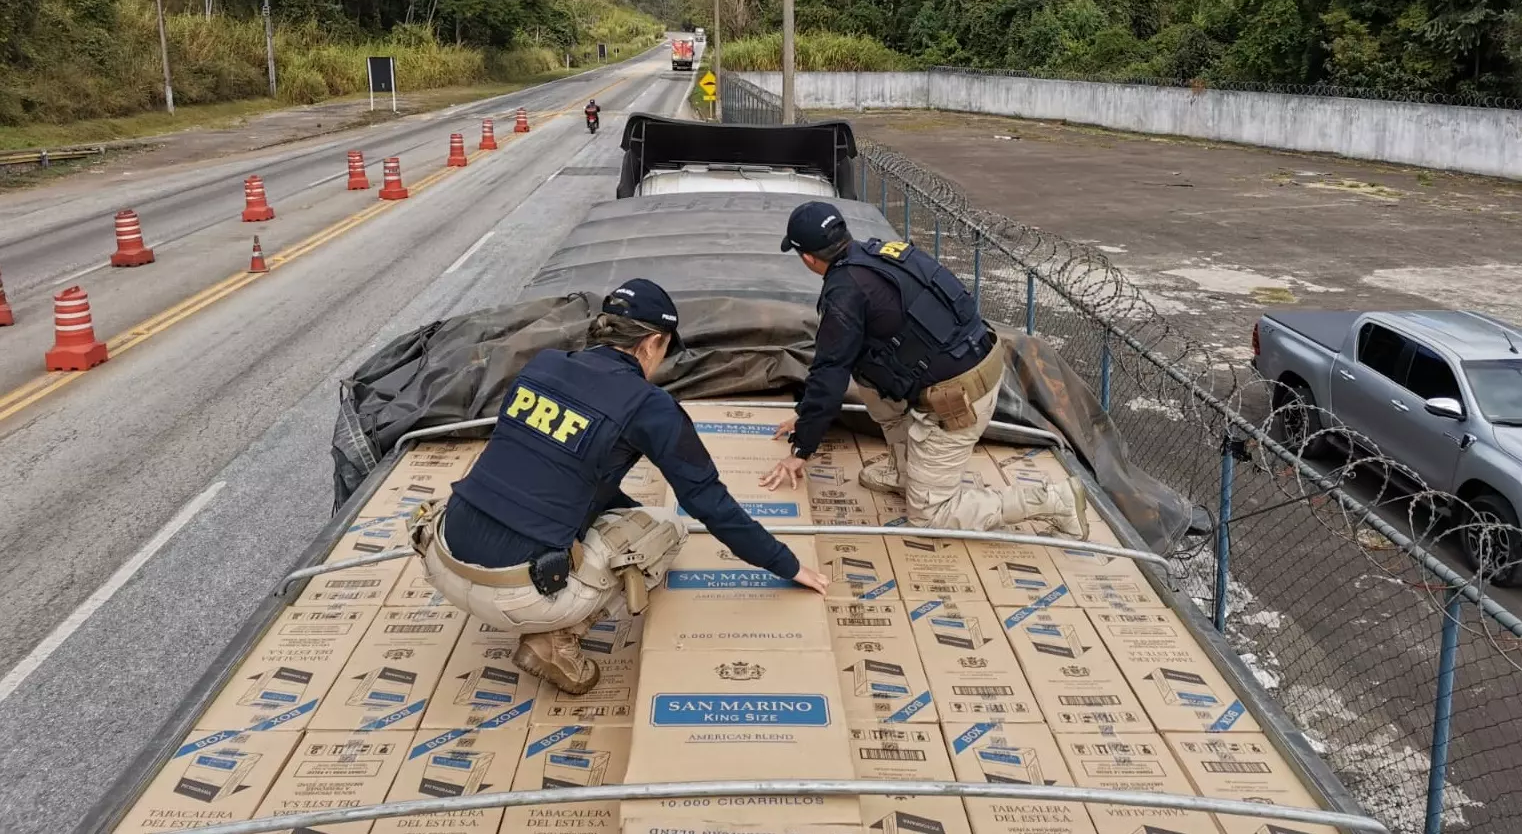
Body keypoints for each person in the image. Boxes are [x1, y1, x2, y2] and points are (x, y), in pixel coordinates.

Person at [411, 278, 829, 695]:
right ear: (651, 343)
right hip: (517, 597)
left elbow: (553, 461)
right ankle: (556, 636)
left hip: (442, 556)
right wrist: (787, 565)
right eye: (664, 351)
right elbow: (710, 503)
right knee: (668, 528)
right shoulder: (649, 406)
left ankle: (544, 608)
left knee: (590, 500)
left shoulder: (543, 365)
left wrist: (620, 511)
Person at [760, 201, 1087, 537]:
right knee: (869, 377)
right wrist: (808, 413)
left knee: (931, 517)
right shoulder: (879, 253)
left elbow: (829, 372)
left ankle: (1051, 501)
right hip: (975, 358)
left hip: (959, 397)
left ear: (809, 258)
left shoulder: (843, 293)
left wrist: (802, 449)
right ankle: (906, 474)